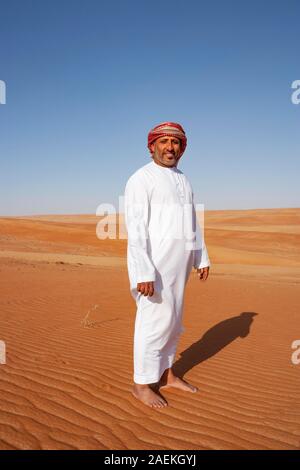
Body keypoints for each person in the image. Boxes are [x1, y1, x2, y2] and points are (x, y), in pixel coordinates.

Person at [124, 122, 210, 408]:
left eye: (175, 142)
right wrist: (143, 271)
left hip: (180, 265)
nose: (170, 147)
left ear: (182, 147)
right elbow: (135, 229)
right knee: (153, 323)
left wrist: (201, 256)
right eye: (164, 142)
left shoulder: (184, 179)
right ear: (152, 146)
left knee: (173, 323)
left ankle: (167, 375)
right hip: (154, 268)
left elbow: (192, 222)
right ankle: (140, 384)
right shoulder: (141, 179)